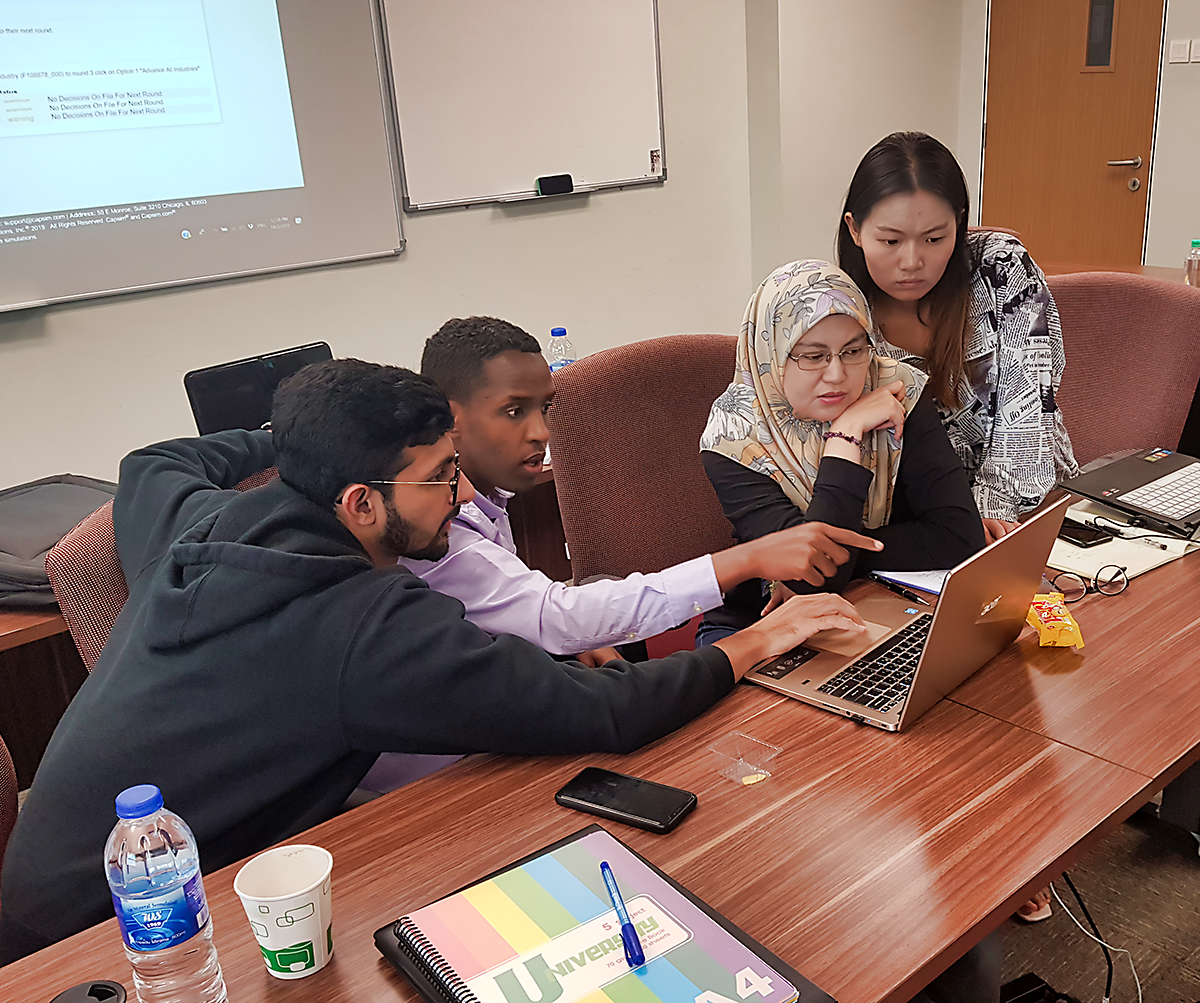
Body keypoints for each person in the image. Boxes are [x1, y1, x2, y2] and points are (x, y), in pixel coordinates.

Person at [0, 359, 867, 965]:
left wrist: (284, 439)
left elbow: (153, 462)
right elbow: (604, 709)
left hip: (41, 887)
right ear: (359, 503)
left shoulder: (202, 522)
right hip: (116, 943)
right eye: (440, 477)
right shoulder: (361, 625)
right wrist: (755, 642)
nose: (460, 496)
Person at [409, 315, 883, 660]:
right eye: (514, 412)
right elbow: (554, 617)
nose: (542, 432)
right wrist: (749, 559)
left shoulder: (487, 499)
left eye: (545, 409)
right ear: (450, 418)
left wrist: (556, 643)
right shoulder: (441, 531)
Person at [696, 260, 984, 642]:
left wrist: (836, 558)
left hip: (879, 600)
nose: (837, 375)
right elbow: (816, 582)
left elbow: (959, 538)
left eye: (853, 351)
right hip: (759, 625)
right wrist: (845, 437)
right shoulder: (733, 435)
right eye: (813, 356)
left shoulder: (897, 389)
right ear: (771, 355)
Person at [838, 131, 1079, 546]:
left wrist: (992, 506)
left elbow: (1029, 402)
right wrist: (957, 525)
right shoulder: (837, 313)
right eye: (890, 240)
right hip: (913, 532)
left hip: (1022, 505)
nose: (912, 261)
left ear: (959, 223)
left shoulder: (1000, 269)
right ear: (855, 230)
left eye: (934, 238)